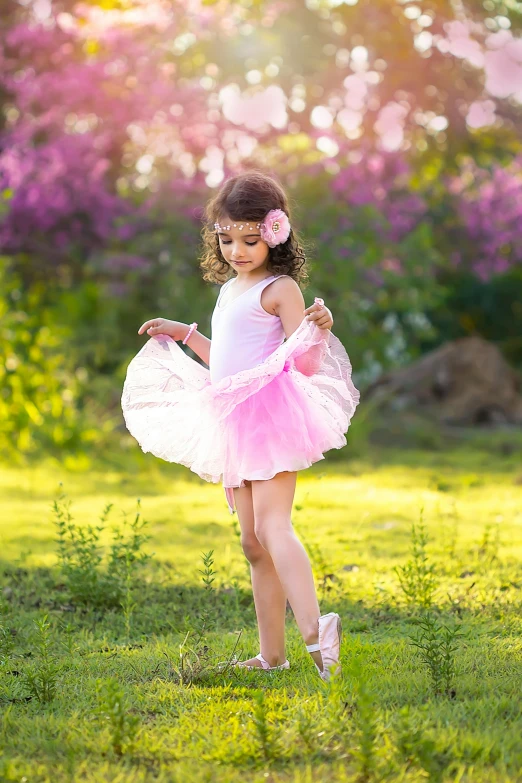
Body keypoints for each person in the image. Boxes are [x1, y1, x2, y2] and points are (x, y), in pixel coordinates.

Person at [121, 171, 360, 681]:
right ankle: (272, 655)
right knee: (252, 542)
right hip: (233, 418)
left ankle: (319, 631)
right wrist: (184, 334)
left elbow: (306, 364)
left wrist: (321, 328)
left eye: (249, 240)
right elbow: (228, 365)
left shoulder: (281, 288)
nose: (237, 250)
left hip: (270, 417)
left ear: (275, 233)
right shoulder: (230, 290)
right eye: (226, 239)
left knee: (274, 527)